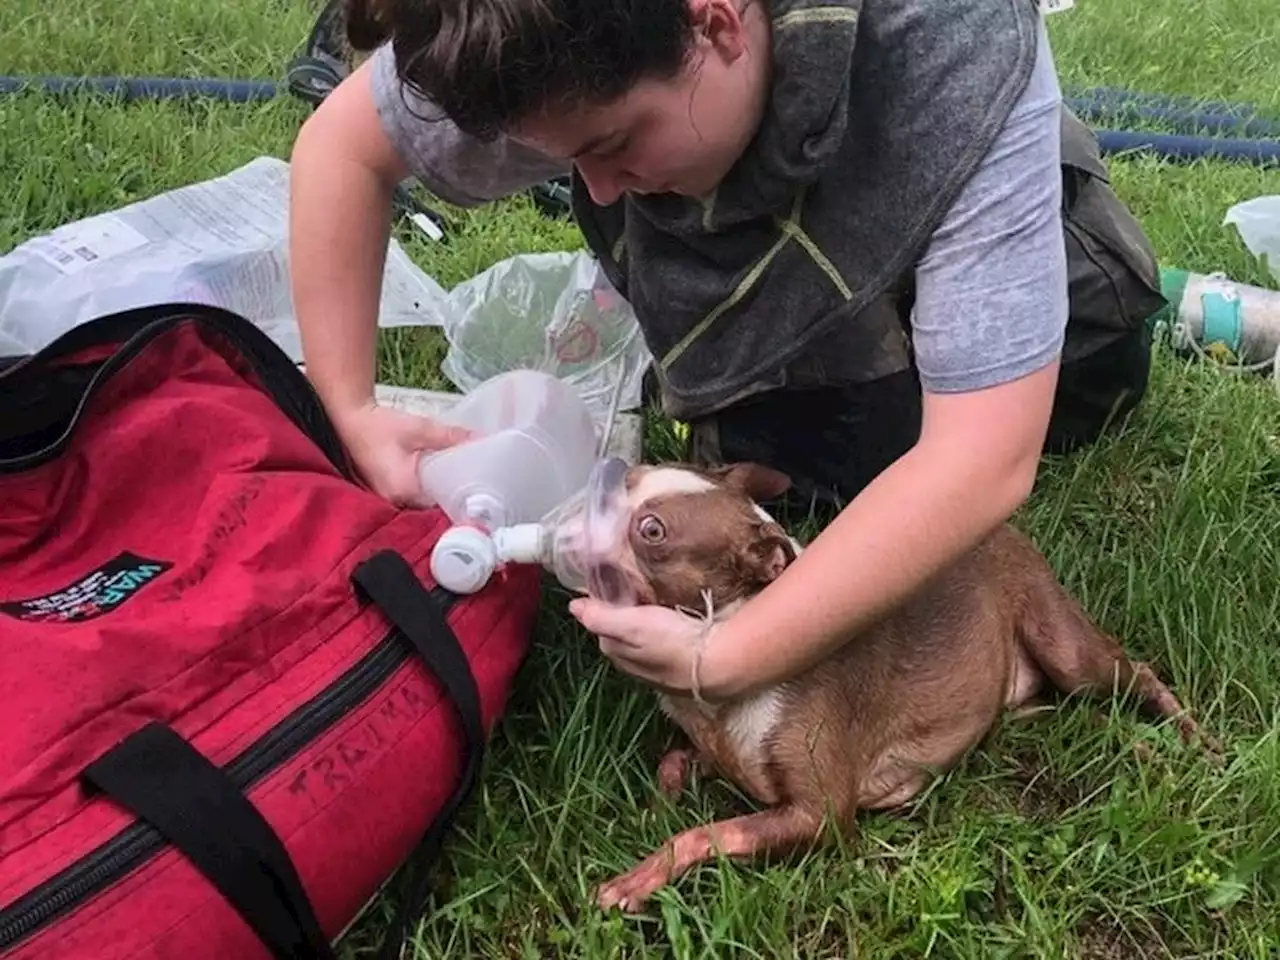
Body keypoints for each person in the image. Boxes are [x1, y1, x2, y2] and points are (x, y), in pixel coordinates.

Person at [288, 0, 1168, 703]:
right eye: (560, 159)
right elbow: (341, 151)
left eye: (612, 143)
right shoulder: (530, 30)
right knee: (800, 459)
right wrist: (353, 408)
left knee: (1019, 399)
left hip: (1055, 295)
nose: (589, 191)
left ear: (713, 23)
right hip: (764, 239)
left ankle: (1122, 293)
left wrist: (733, 652)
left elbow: (981, 459)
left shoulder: (954, 57)